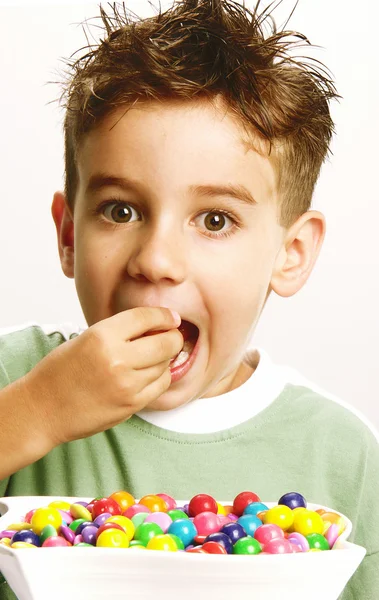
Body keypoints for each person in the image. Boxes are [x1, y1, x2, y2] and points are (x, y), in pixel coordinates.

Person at [0, 1, 378, 598]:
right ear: (70, 234)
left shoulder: (339, 454)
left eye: (215, 219)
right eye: (121, 210)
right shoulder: (16, 379)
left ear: (292, 252)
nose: (156, 259)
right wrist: (38, 412)